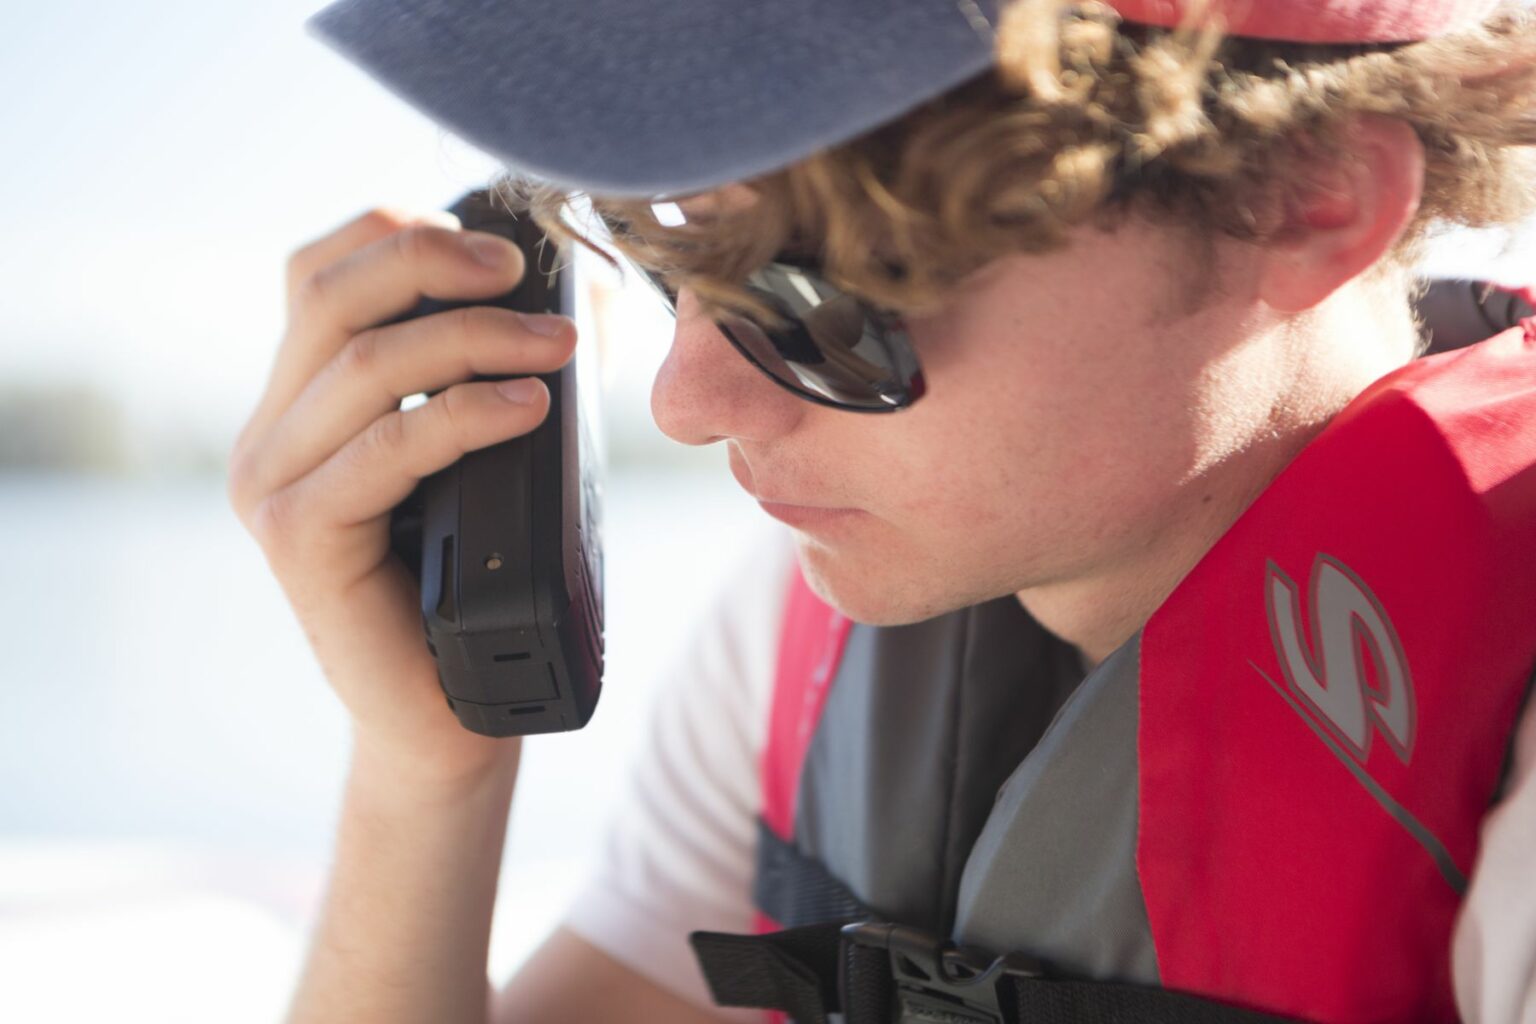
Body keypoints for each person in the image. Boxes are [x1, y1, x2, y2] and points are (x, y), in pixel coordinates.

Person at [228, 0, 1536, 1020]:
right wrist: (426, 779)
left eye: (822, 295)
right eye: (674, 258)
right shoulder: (799, 622)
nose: (688, 402)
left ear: (1304, 199)